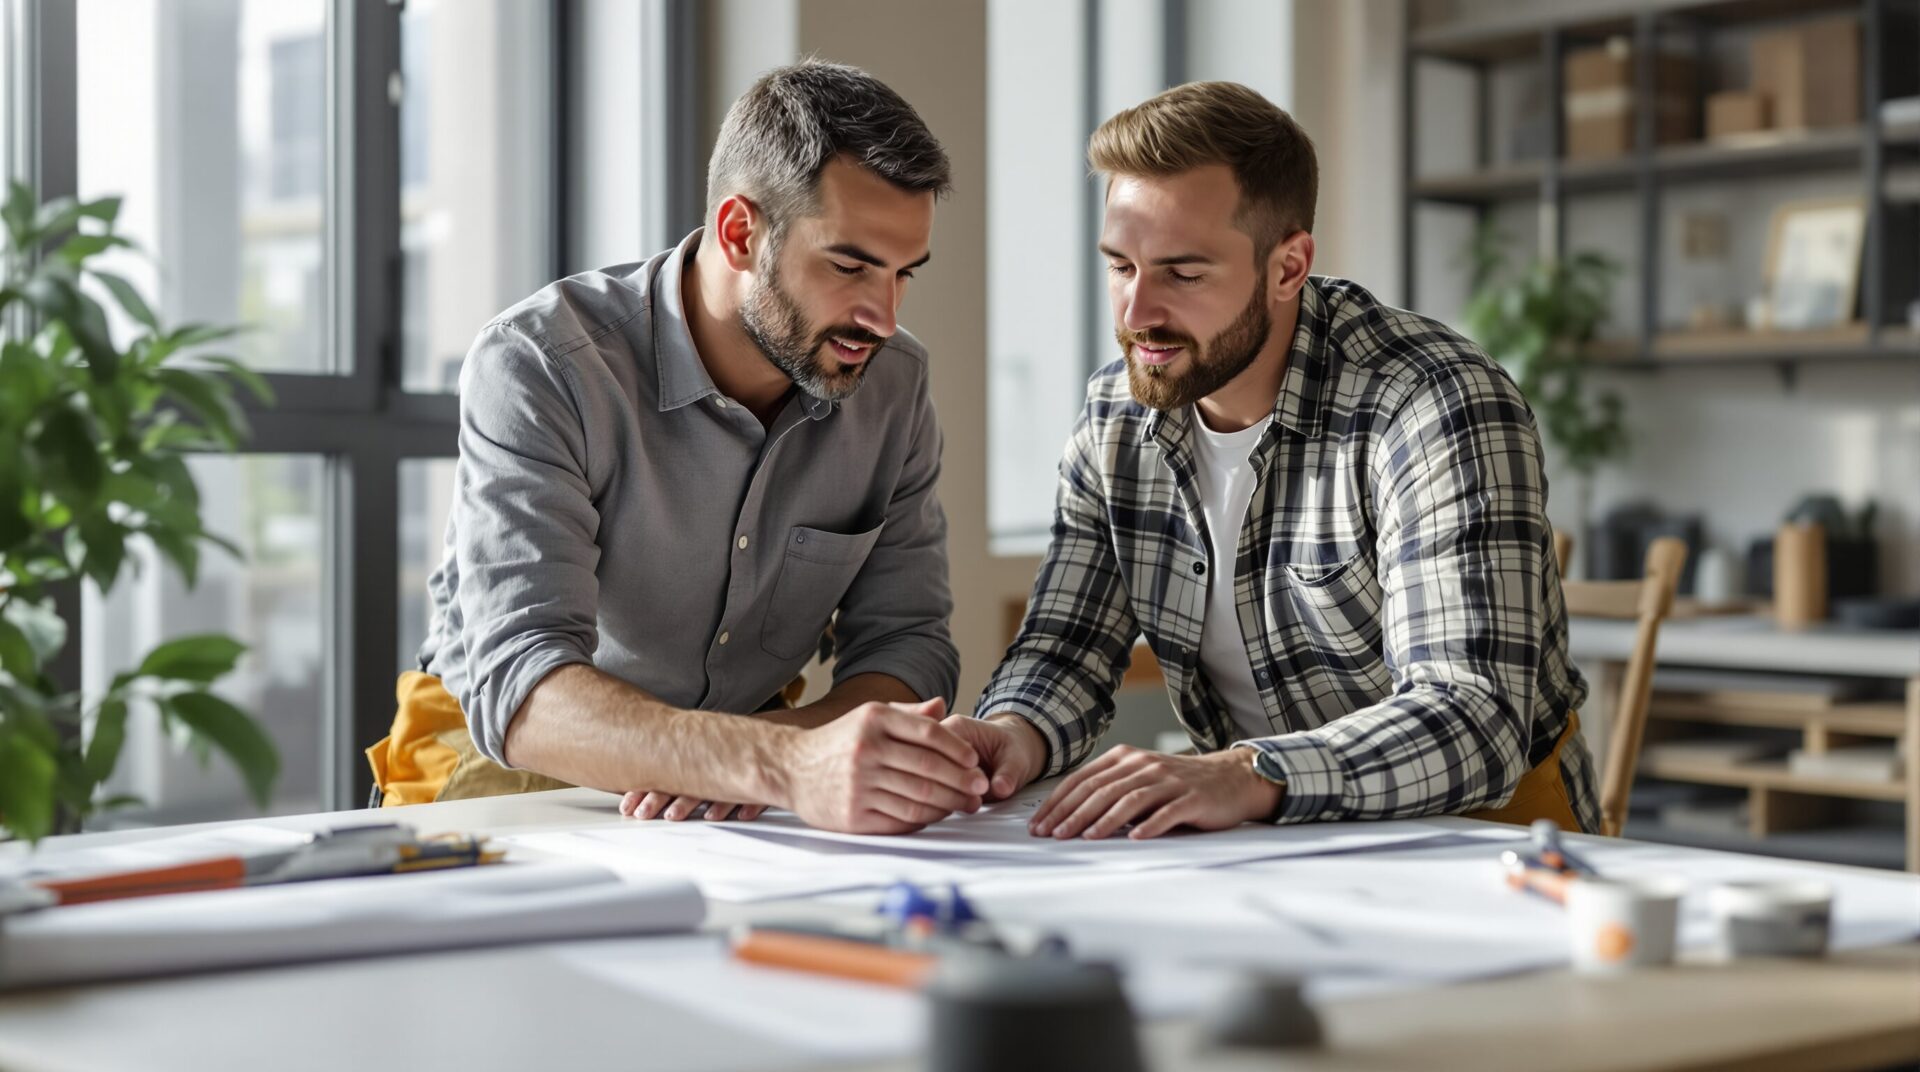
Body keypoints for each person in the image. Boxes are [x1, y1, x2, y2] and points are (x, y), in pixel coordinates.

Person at [940, 81, 1599, 841]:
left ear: (1288, 267)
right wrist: (1010, 736)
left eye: (1183, 274)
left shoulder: (1434, 402)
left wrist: (1245, 773)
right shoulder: (1116, 413)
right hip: (1268, 835)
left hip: (1486, 839)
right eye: (1120, 266)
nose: (1136, 314)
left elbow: (1472, 717)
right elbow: (1067, 647)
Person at [367, 61, 987, 836]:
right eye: (849, 266)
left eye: (903, 275)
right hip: (511, 776)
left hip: (748, 791)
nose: (883, 317)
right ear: (740, 233)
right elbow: (520, 684)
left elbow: (908, 646)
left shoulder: (893, 383)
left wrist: (767, 761)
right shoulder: (543, 363)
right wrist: (777, 762)